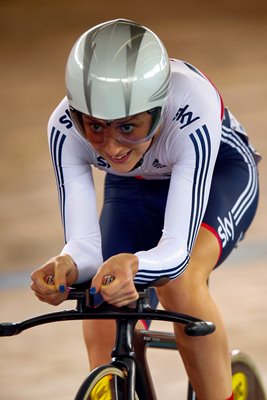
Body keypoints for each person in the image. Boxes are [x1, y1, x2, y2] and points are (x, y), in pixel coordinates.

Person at [31, 19, 260, 400]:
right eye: (96, 127)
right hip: (134, 188)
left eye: (129, 127)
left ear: (158, 110)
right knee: (100, 299)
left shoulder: (193, 105)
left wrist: (135, 266)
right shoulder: (64, 127)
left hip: (218, 175)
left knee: (180, 283)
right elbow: (86, 246)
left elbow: (175, 254)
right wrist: (67, 266)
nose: (112, 146)